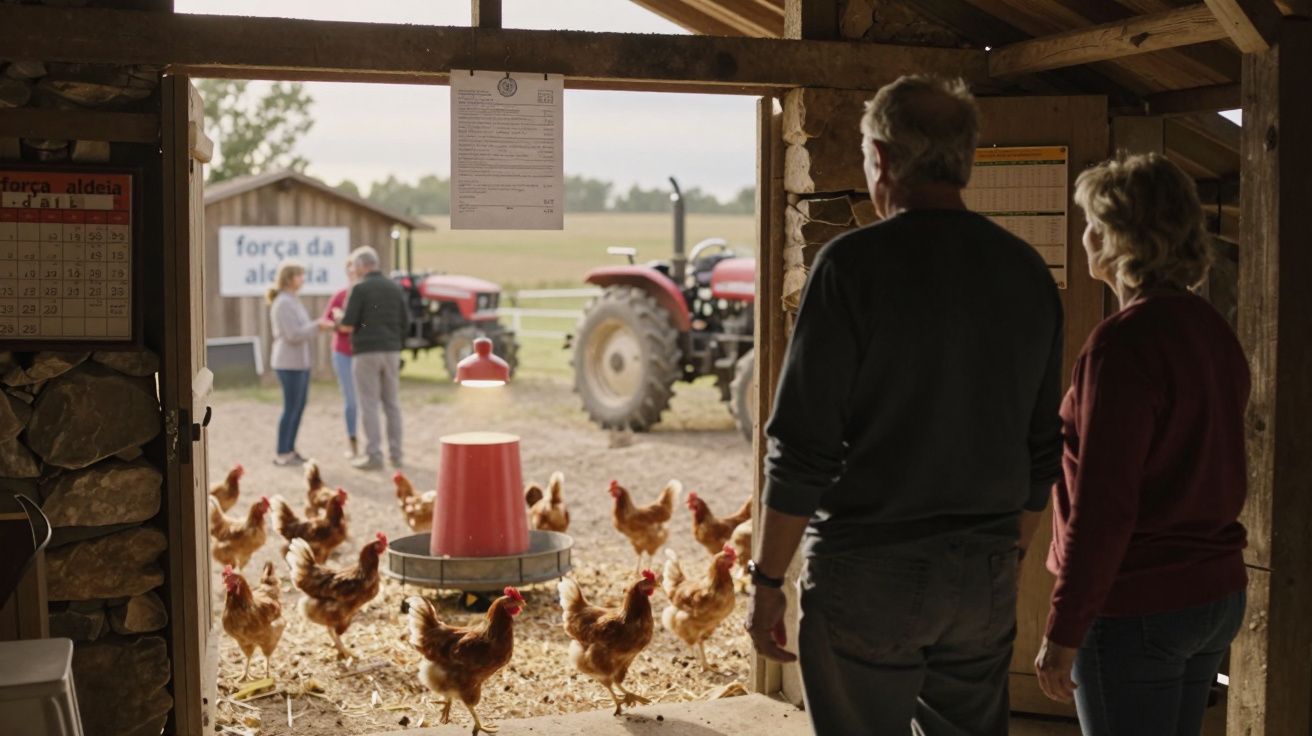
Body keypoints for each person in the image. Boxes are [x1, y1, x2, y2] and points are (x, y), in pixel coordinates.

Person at [745, 75, 1065, 736]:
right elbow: (1042, 448)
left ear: (883, 160)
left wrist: (767, 579)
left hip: (869, 567)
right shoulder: (1026, 272)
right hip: (983, 566)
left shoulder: (850, 268)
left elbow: (803, 445)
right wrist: (1005, 555)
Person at [1033, 153, 1249, 736]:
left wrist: (1063, 630)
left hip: (1138, 604)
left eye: (1088, 222)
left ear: (1112, 235)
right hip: (1214, 593)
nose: (1083, 235)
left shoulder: (1122, 346)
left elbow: (1103, 506)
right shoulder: (1211, 331)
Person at [339, 245, 409, 471]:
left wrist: (340, 318)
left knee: (369, 403)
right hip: (391, 350)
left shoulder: (359, 289)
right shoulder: (394, 288)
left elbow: (349, 324)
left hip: (366, 352)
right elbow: (405, 322)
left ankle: (374, 454)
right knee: (392, 404)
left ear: (362, 266)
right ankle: (396, 453)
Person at [267, 259, 333, 466]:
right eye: (300, 275)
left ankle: (290, 449)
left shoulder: (292, 300)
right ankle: (282, 452)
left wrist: (315, 326)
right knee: (290, 408)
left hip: (299, 363)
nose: (303, 279)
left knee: (298, 407)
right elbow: (293, 334)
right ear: (289, 278)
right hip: (288, 363)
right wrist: (318, 326)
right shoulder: (283, 303)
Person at [325, 258, 360, 459]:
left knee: (367, 401)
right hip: (343, 352)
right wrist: (339, 322)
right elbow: (328, 320)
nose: (352, 276)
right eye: (350, 273)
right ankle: (352, 440)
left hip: (363, 354)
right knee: (351, 400)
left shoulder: (366, 296)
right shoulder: (339, 296)